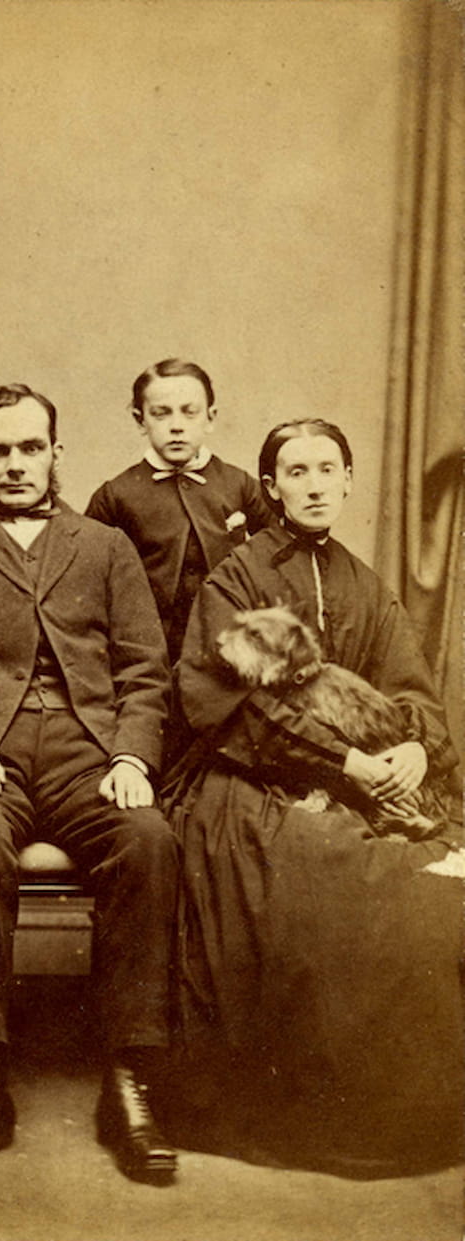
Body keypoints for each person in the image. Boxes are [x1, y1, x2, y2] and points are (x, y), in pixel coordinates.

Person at [163, 418, 464, 1175]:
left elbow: (411, 688)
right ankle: (303, 1106)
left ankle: (403, 1109)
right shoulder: (236, 578)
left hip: (364, 777)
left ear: (349, 480)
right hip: (247, 775)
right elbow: (223, 704)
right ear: (271, 488)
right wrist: (343, 762)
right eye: (296, 472)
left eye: (328, 469)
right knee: (318, 868)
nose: (315, 485)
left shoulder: (366, 584)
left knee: (419, 883)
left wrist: (411, 747)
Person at [0, 382, 180, 1187]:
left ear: (56, 451)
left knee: (148, 838)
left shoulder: (106, 547)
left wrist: (131, 758)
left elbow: (144, 670)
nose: (16, 463)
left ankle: (128, 1079)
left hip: (87, 752)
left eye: (31, 447)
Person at [85, 359, 273, 667]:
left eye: (190, 412)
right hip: (147, 654)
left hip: (229, 652)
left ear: (210, 418)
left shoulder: (239, 485)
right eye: (161, 413)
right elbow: (86, 580)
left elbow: (281, 555)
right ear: (140, 420)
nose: (176, 426)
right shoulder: (115, 495)